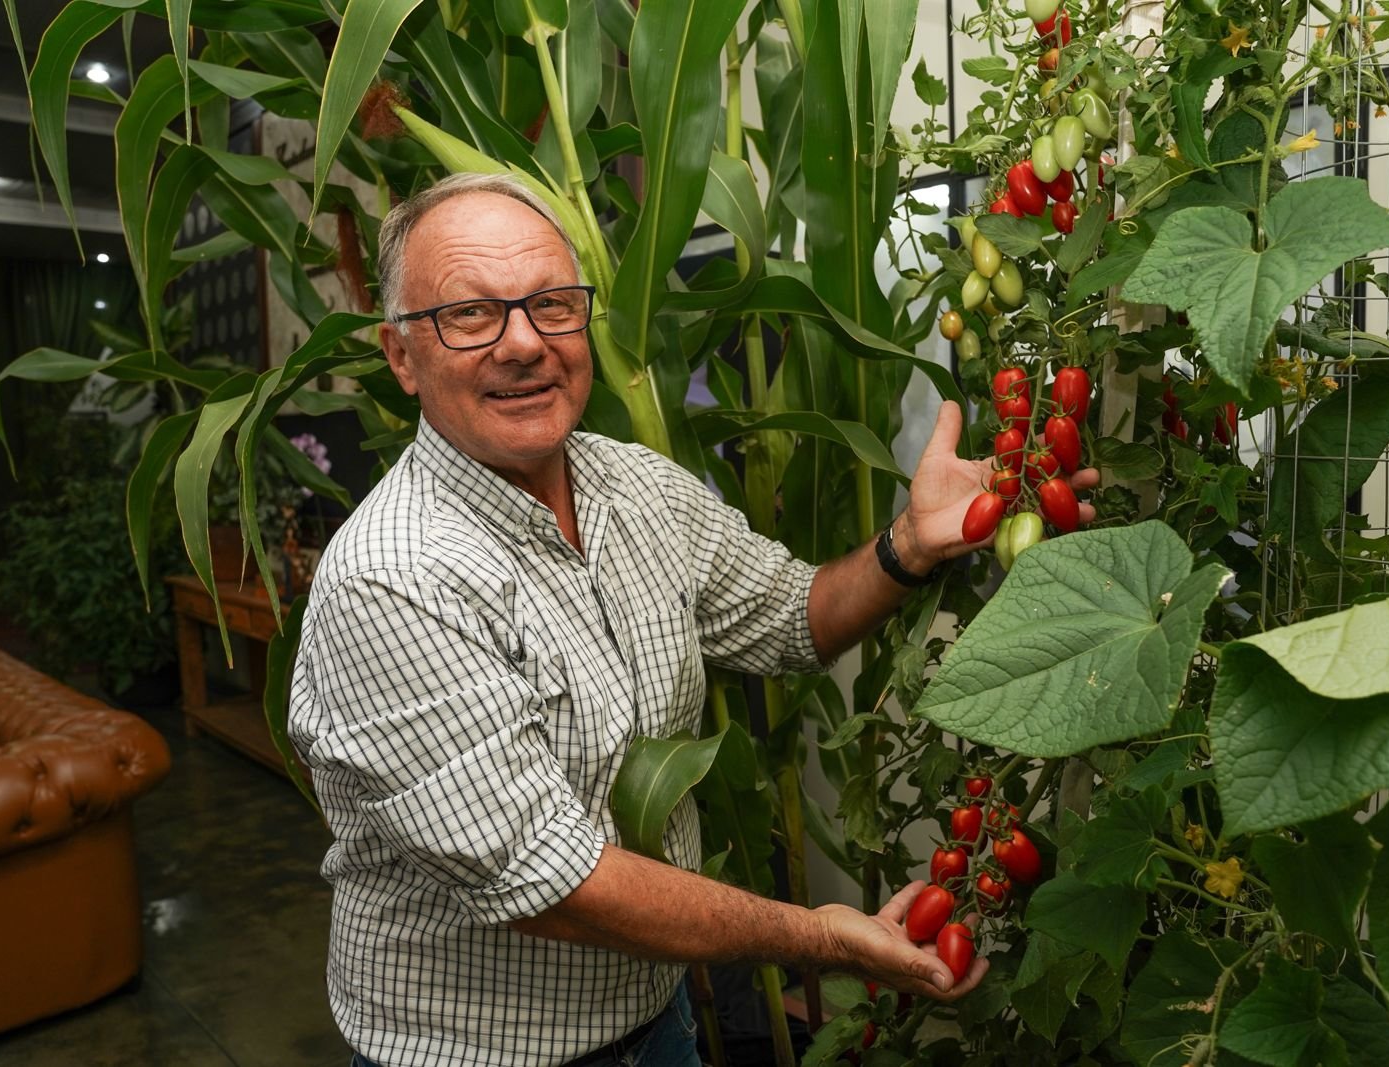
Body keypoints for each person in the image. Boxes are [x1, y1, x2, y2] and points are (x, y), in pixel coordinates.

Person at [288, 172, 1096, 1067]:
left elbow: (790, 616)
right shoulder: (393, 577)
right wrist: (820, 935)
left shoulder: (634, 485)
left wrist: (910, 541)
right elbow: (553, 882)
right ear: (402, 354)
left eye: (553, 304)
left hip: (656, 1020)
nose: (524, 343)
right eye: (471, 315)